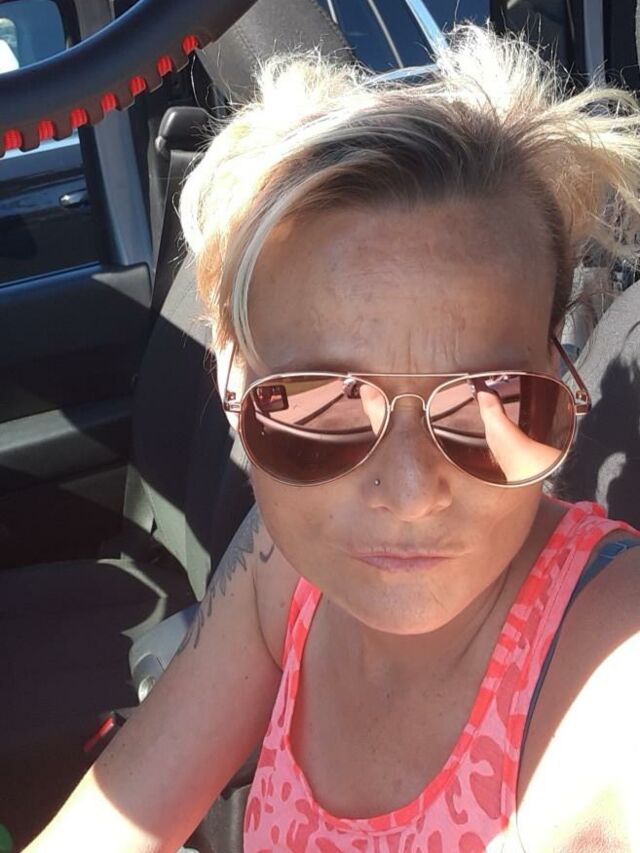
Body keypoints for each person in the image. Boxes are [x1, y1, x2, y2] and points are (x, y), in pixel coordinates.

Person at [26, 24, 640, 853]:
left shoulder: (611, 660)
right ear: (234, 384)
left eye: (492, 398)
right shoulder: (283, 571)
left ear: (558, 380)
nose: (411, 493)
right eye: (325, 404)